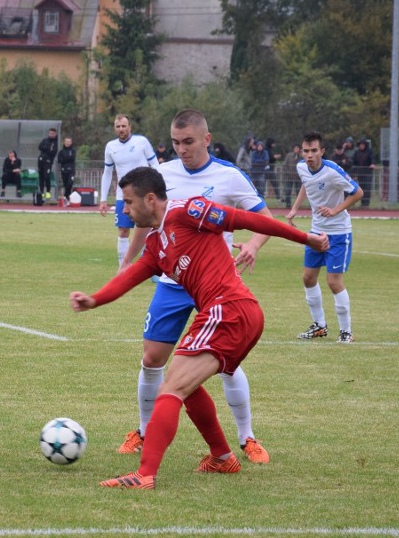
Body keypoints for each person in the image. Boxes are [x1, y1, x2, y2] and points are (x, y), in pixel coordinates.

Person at [70, 166, 328, 490]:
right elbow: (129, 278)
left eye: (128, 201)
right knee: (184, 385)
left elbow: (248, 220)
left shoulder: (187, 211)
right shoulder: (156, 245)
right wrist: (93, 300)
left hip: (230, 309)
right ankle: (221, 457)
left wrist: (307, 238)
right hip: (226, 313)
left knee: (170, 389)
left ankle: (145, 474)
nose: (124, 209)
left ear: (150, 199)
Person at [116, 109, 278, 464]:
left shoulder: (229, 176)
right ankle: (143, 431)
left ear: (206, 138)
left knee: (226, 365)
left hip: (215, 284)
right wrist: (128, 261)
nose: (181, 149)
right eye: (175, 143)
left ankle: (247, 437)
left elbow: (264, 221)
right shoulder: (163, 174)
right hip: (172, 281)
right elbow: (146, 220)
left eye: (188, 142)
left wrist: (253, 244)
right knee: (152, 359)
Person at [286, 131, 364, 344]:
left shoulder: (332, 171)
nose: (309, 155)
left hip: (338, 233)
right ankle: (319, 326)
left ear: (322, 151)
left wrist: (336, 210)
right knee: (308, 278)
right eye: (306, 151)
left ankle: (346, 331)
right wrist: (294, 209)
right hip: (315, 232)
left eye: (313, 151)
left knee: (333, 282)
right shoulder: (301, 167)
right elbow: (306, 184)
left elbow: (358, 193)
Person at [99, 114, 160, 265]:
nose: (121, 129)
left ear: (130, 127)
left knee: (148, 230)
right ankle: (124, 267)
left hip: (145, 194)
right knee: (123, 231)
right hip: (123, 197)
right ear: (115, 128)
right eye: (118, 127)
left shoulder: (142, 142)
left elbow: (156, 165)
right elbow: (107, 173)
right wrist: (103, 199)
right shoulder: (110, 147)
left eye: (124, 126)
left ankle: (151, 267)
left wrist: (160, 189)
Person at [351, 138, 376, 207]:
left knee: (367, 188)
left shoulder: (369, 151)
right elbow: (353, 162)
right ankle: (362, 203)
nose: (361, 146)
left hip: (368, 172)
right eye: (360, 145)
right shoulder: (357, 152)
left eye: (363, 145)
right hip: (360, 172)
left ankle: (366, 204)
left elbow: (372, 159)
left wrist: (373, 164)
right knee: (361, 188)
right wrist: (354, 173)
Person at [38, 128, 59, 199]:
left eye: (53, 133)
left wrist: (46, 149)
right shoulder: (45, 140)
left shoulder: (56, 142)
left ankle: (48, 192)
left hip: (48, 162)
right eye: (50, 133)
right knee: (41, 177)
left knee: (47, 176)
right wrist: (47, 148)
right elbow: (40, 147)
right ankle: (41, 192)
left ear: (55, 134)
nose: (51, 134)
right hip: (41, 161)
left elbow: (52, 152)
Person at [281, 144, 302, 208]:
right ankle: (288, 205)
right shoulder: (289, 156)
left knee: (299, 192)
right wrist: (287, 173)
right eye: (295, 148)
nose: (296, 149)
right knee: (288, 191)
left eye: (297, 148)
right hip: (289, 177)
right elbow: (285, 165)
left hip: (298, 177)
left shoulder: (302, 156)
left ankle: (298, 206)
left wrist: (300, 174)